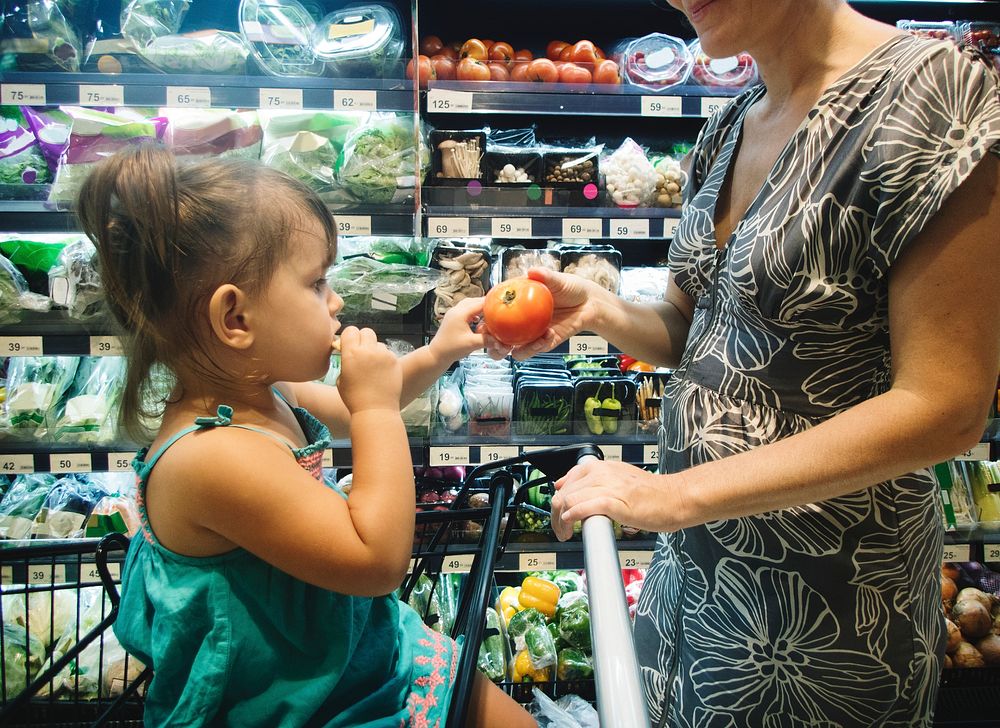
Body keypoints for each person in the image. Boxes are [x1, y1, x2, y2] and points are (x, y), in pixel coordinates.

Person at [511, 1, 1000, 725]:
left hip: (827, 619)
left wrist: (673, 496)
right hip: (692, 587)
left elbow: (946, 408)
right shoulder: (729, 125)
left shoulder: (932, 96)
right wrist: (601, 310)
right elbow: (694, 327)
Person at [77, 145, 535, 727]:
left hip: (339, 652)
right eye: (317, 283)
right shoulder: (212, 459)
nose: (336, 301)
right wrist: (373, 411)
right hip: (292, 701)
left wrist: (439, 351)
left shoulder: (266, 390)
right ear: (236, 320)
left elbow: (374, 398)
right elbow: (377, 562)